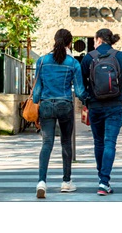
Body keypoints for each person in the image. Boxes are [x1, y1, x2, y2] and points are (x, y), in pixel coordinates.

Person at [81, 28, 122, 196]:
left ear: (98, 39)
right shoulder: (120, 57)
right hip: (114, 106)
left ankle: (101, 178)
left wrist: (87, 98)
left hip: (95, 106)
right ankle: (104, 181)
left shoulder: (89, 57)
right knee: (110, 143)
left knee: (98, 142)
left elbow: (81, 83)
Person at [33, 29, 87, 199]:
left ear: (55, 40)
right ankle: (66, 182)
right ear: (70, 43)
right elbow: (79, 91)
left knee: (46, 143)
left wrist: (36, 104)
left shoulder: (41, 61)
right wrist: (87, 100)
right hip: (65, 104)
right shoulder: (73, 63)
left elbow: (37, 91)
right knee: (66, 143)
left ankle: (42, 182)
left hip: (47, 105)